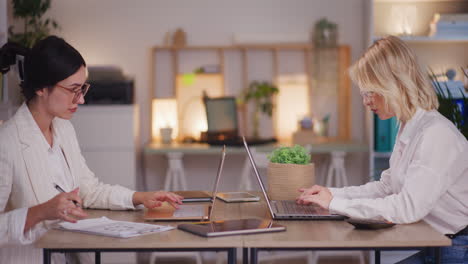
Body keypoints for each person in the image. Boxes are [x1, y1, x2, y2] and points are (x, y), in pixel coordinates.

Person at [0, 36, 183, 263]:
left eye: (83, 88)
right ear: (41, 88)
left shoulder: (64, 130)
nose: (82, 100)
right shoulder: (7, 143)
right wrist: (41, 212)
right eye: (73, 90)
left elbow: (89, 190)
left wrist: (140, 197)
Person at [296, 35, 468, 263]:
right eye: (363, 93)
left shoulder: (436, 134)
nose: (366, 101)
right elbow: (388, 187)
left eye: (370, 92)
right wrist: (331, 194)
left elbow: (407, 207)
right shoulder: (409, 125)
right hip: (434, 241)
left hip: (454, 248)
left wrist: (334, 204)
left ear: (393, 84)